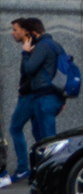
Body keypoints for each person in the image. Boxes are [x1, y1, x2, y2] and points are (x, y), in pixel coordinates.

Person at [9, 18, 65, 181]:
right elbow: (60, 72)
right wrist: (62, 97)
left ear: (29, 32)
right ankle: (42, 170)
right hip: (49, 95)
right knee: (41, 134)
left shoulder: (40, 47)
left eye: (15, 29)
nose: (13, 33)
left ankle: (47, 172)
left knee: (45, 136)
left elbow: (29, 69)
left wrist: (26, 53)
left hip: (40, 95)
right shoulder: (55, 45)